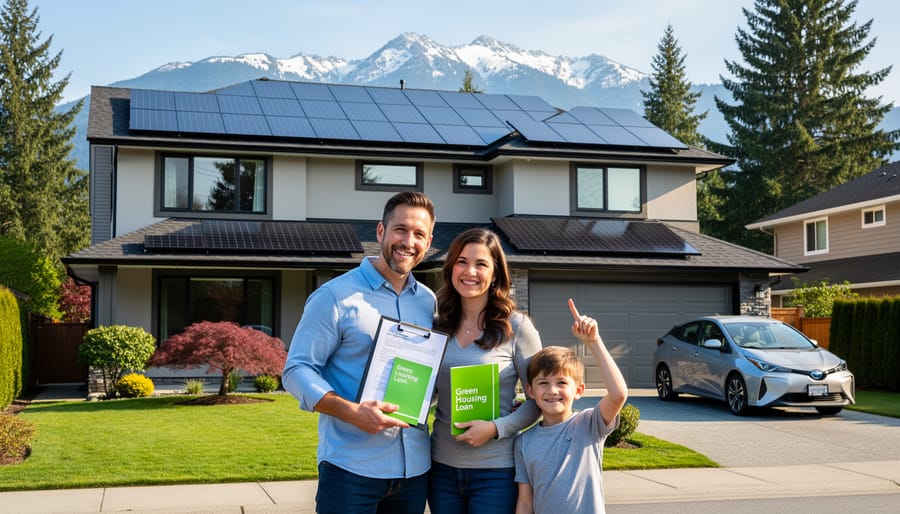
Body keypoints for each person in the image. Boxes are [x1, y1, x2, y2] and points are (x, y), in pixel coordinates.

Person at [282, 191, 437, 514]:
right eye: (400, 229)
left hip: (414, 471)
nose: (408, 241)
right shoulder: (335, 297)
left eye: (419, 234)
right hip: (351, 471)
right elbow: (296, 370)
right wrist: (352, 412)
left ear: (429, 241)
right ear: (380, 231)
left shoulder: (428, 301)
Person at [429, 227, 543, 514]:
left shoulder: (517, 327)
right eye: (462, 261)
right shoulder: (436, 326)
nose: (470, 271)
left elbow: (539, 400)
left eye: (481, 264)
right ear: (451, 267)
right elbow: (429, 394)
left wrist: (495, 429)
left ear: (495, 275)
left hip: (496, 472)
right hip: (440, 469)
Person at [513, 299, 628, 514]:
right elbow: (525, 502)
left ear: (579, 390)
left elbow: (618, 394)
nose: (553, 390)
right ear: (530, 390)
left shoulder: (589, 425)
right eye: (543, 383)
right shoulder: (523, 442)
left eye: (562, 383)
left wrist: (594, 342)